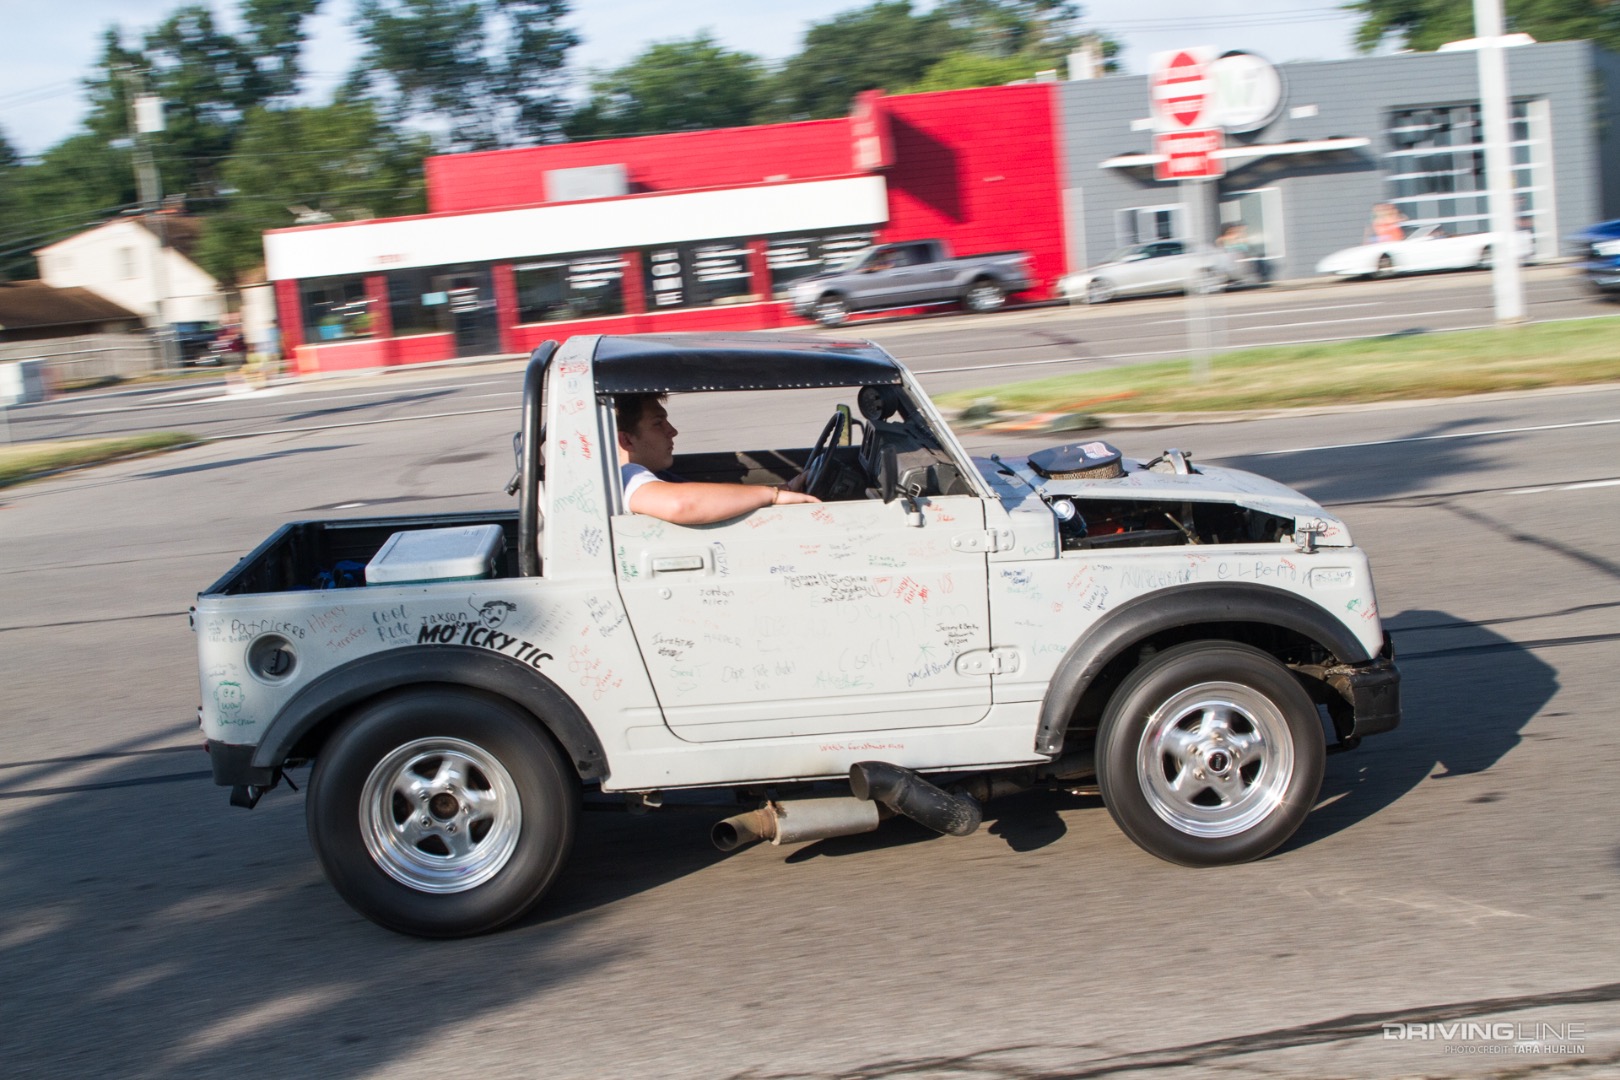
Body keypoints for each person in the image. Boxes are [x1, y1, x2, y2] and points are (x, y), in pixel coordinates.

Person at [615, 393, 819, 525]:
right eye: (658, 423)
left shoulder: (657, 475)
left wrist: (783, 490)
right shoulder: (626, 476)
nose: (673, 431)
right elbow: (682, 504)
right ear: (626, 440)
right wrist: (772, 496)